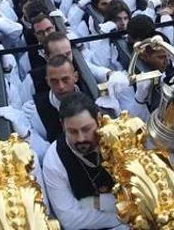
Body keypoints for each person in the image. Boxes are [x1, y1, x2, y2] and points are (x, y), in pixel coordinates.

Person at [41, 93, 125, 230]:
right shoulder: (54, 160)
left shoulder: (119, 138)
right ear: (62, 126)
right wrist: (123, 217)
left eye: (86, 129)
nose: (81, 139)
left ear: (99, 119)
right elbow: (71, 220)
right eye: (73, 132)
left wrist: (96, 203)